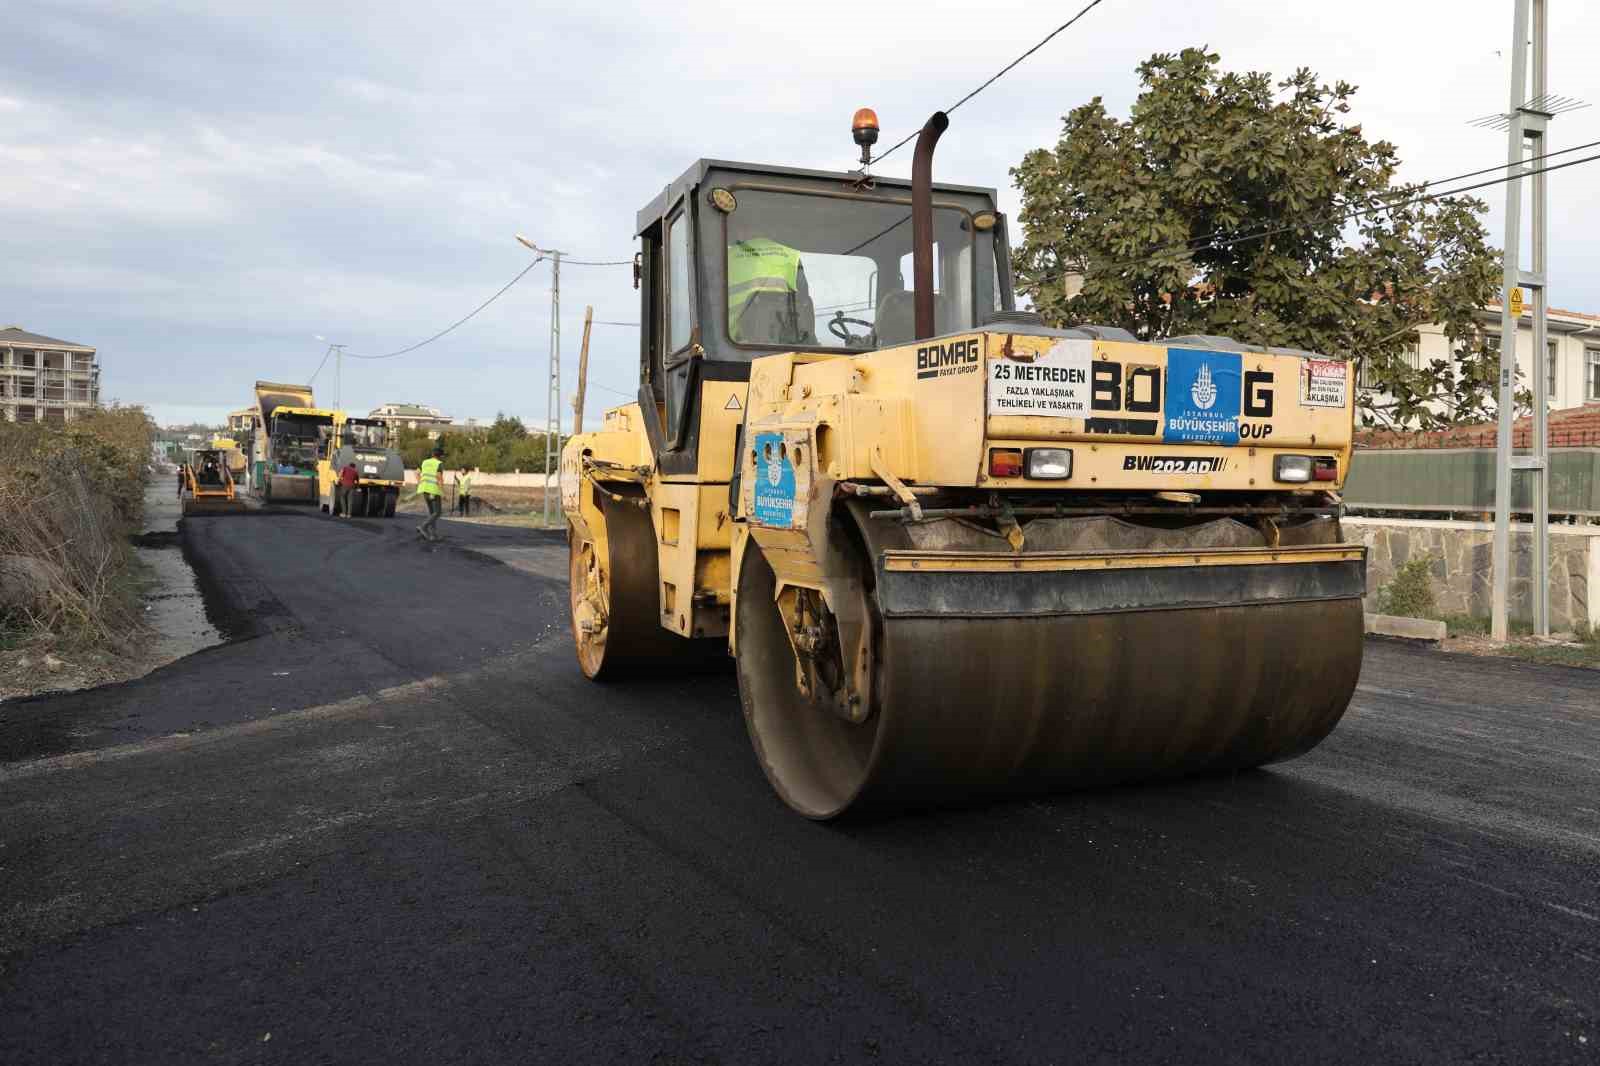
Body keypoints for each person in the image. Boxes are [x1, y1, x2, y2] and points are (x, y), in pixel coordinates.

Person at [727, 237, 816, 345]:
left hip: (731, 345)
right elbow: (803, 298)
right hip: (781, 345)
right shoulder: (790, 255)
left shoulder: (728, 255)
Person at [416, 445, 444, 542]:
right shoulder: (439, 463)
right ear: (440, 456)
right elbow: (439, 477)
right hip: (433, 490)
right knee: (437, 512)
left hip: (425, 490)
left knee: (432, 513)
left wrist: (420, 482)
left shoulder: (424, 462)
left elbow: (417, 473)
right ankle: (423, 527)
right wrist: (442, 492)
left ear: (432, 454)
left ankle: (433, 536)